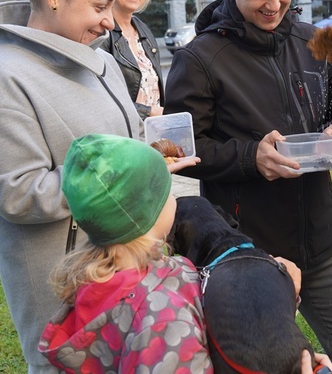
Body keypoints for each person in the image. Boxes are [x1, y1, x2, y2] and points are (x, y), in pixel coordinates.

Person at [0, 0, 194, 373]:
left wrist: (148, 158)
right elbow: (20, 194)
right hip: (66, 296)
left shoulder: (101, 60)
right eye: (100, 5)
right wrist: (131, 173)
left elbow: (126, 142)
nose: (108, 19)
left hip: (128, 271)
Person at [164, 0, 332, 373]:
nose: (274, 5)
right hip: (249, 258)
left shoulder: (316, 41)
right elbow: (181, 150)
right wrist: (249, 157)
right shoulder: (199, 60)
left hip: (319, 243)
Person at [38, 134, 211, 371]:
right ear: (148, 214)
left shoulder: (95, 280)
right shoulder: (165, 324)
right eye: (166, 191)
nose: (173, 199)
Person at [100, 0, 165, 119]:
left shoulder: (144, 31)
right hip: (125, 135)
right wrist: (148, 113)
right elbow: (101, 97)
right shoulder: (101, 32)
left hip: (153, 132)